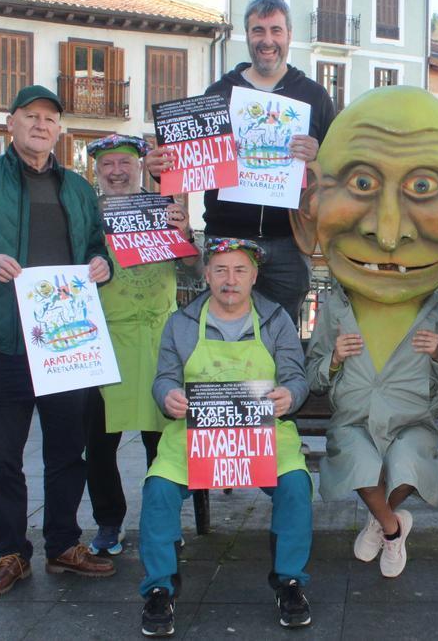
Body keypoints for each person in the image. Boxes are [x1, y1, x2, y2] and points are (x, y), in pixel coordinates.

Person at [0, 85, 117, 596]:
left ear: (60, 130)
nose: (41, 125)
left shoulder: (77, 189)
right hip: (1, 341)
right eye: (31, 116)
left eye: (50, 118)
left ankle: (63, 544)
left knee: (67, 451)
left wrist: (105, 265)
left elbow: (98, 248)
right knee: (3, 456)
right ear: (10, 123)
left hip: (66, 346)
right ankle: (11, 553)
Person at [293, 87, 438, 578]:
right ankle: (394, 528)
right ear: (307, 208)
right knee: (355, 459)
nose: (388, 232)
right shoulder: (334, 309)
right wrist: (333, 358)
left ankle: (384, 521)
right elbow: (313, 372)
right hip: (354, 417)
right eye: (361, 182)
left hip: (413, 418)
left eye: (423, 188)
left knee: (413, 463)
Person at [140, 238, 312, 635]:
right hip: (196, 433)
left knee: (295, 485)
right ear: (206, 275)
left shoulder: (276, 320)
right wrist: (169, 396)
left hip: (264, 431)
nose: (229, 280)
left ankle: (290, 583)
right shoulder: (181, 322)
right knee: (159, 489)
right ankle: (159, 589)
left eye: (239, 271)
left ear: (254, 276)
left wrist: (291, 395)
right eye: (220, 270)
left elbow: (295, 377)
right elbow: (165, 376)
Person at [145, 0, 336, 326]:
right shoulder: (218, 93)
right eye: (257, 30)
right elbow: (192, 166)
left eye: (275, 30)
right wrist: (162, 170)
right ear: (247, 36)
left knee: (282, 334)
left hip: (289, 243)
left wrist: (317, 156)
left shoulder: (314, 96)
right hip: (228, 237)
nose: (267, 40)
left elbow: (336, 171)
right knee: (226, 332)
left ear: (289, 35)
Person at [82, 134, 197, 556]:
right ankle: (108, 523)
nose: (116, 171)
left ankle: (163, 519)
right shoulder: (87, 217)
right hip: (104, 342)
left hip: (160, 341)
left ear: (138, 168)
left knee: (163, 439)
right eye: (107, 164)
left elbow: (192, 266)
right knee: (98, 442)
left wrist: (183, 232)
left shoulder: (165, 208)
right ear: (97, 171)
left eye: (124, 164)